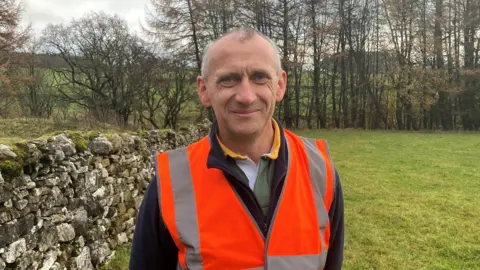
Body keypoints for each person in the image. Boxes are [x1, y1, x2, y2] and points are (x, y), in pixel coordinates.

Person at [129, 27, 344, 270]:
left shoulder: (320, 170)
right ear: (204, 90)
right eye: (228, 79)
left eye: (260, 77)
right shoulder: (171, 182)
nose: (246, 96)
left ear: (280, 85)